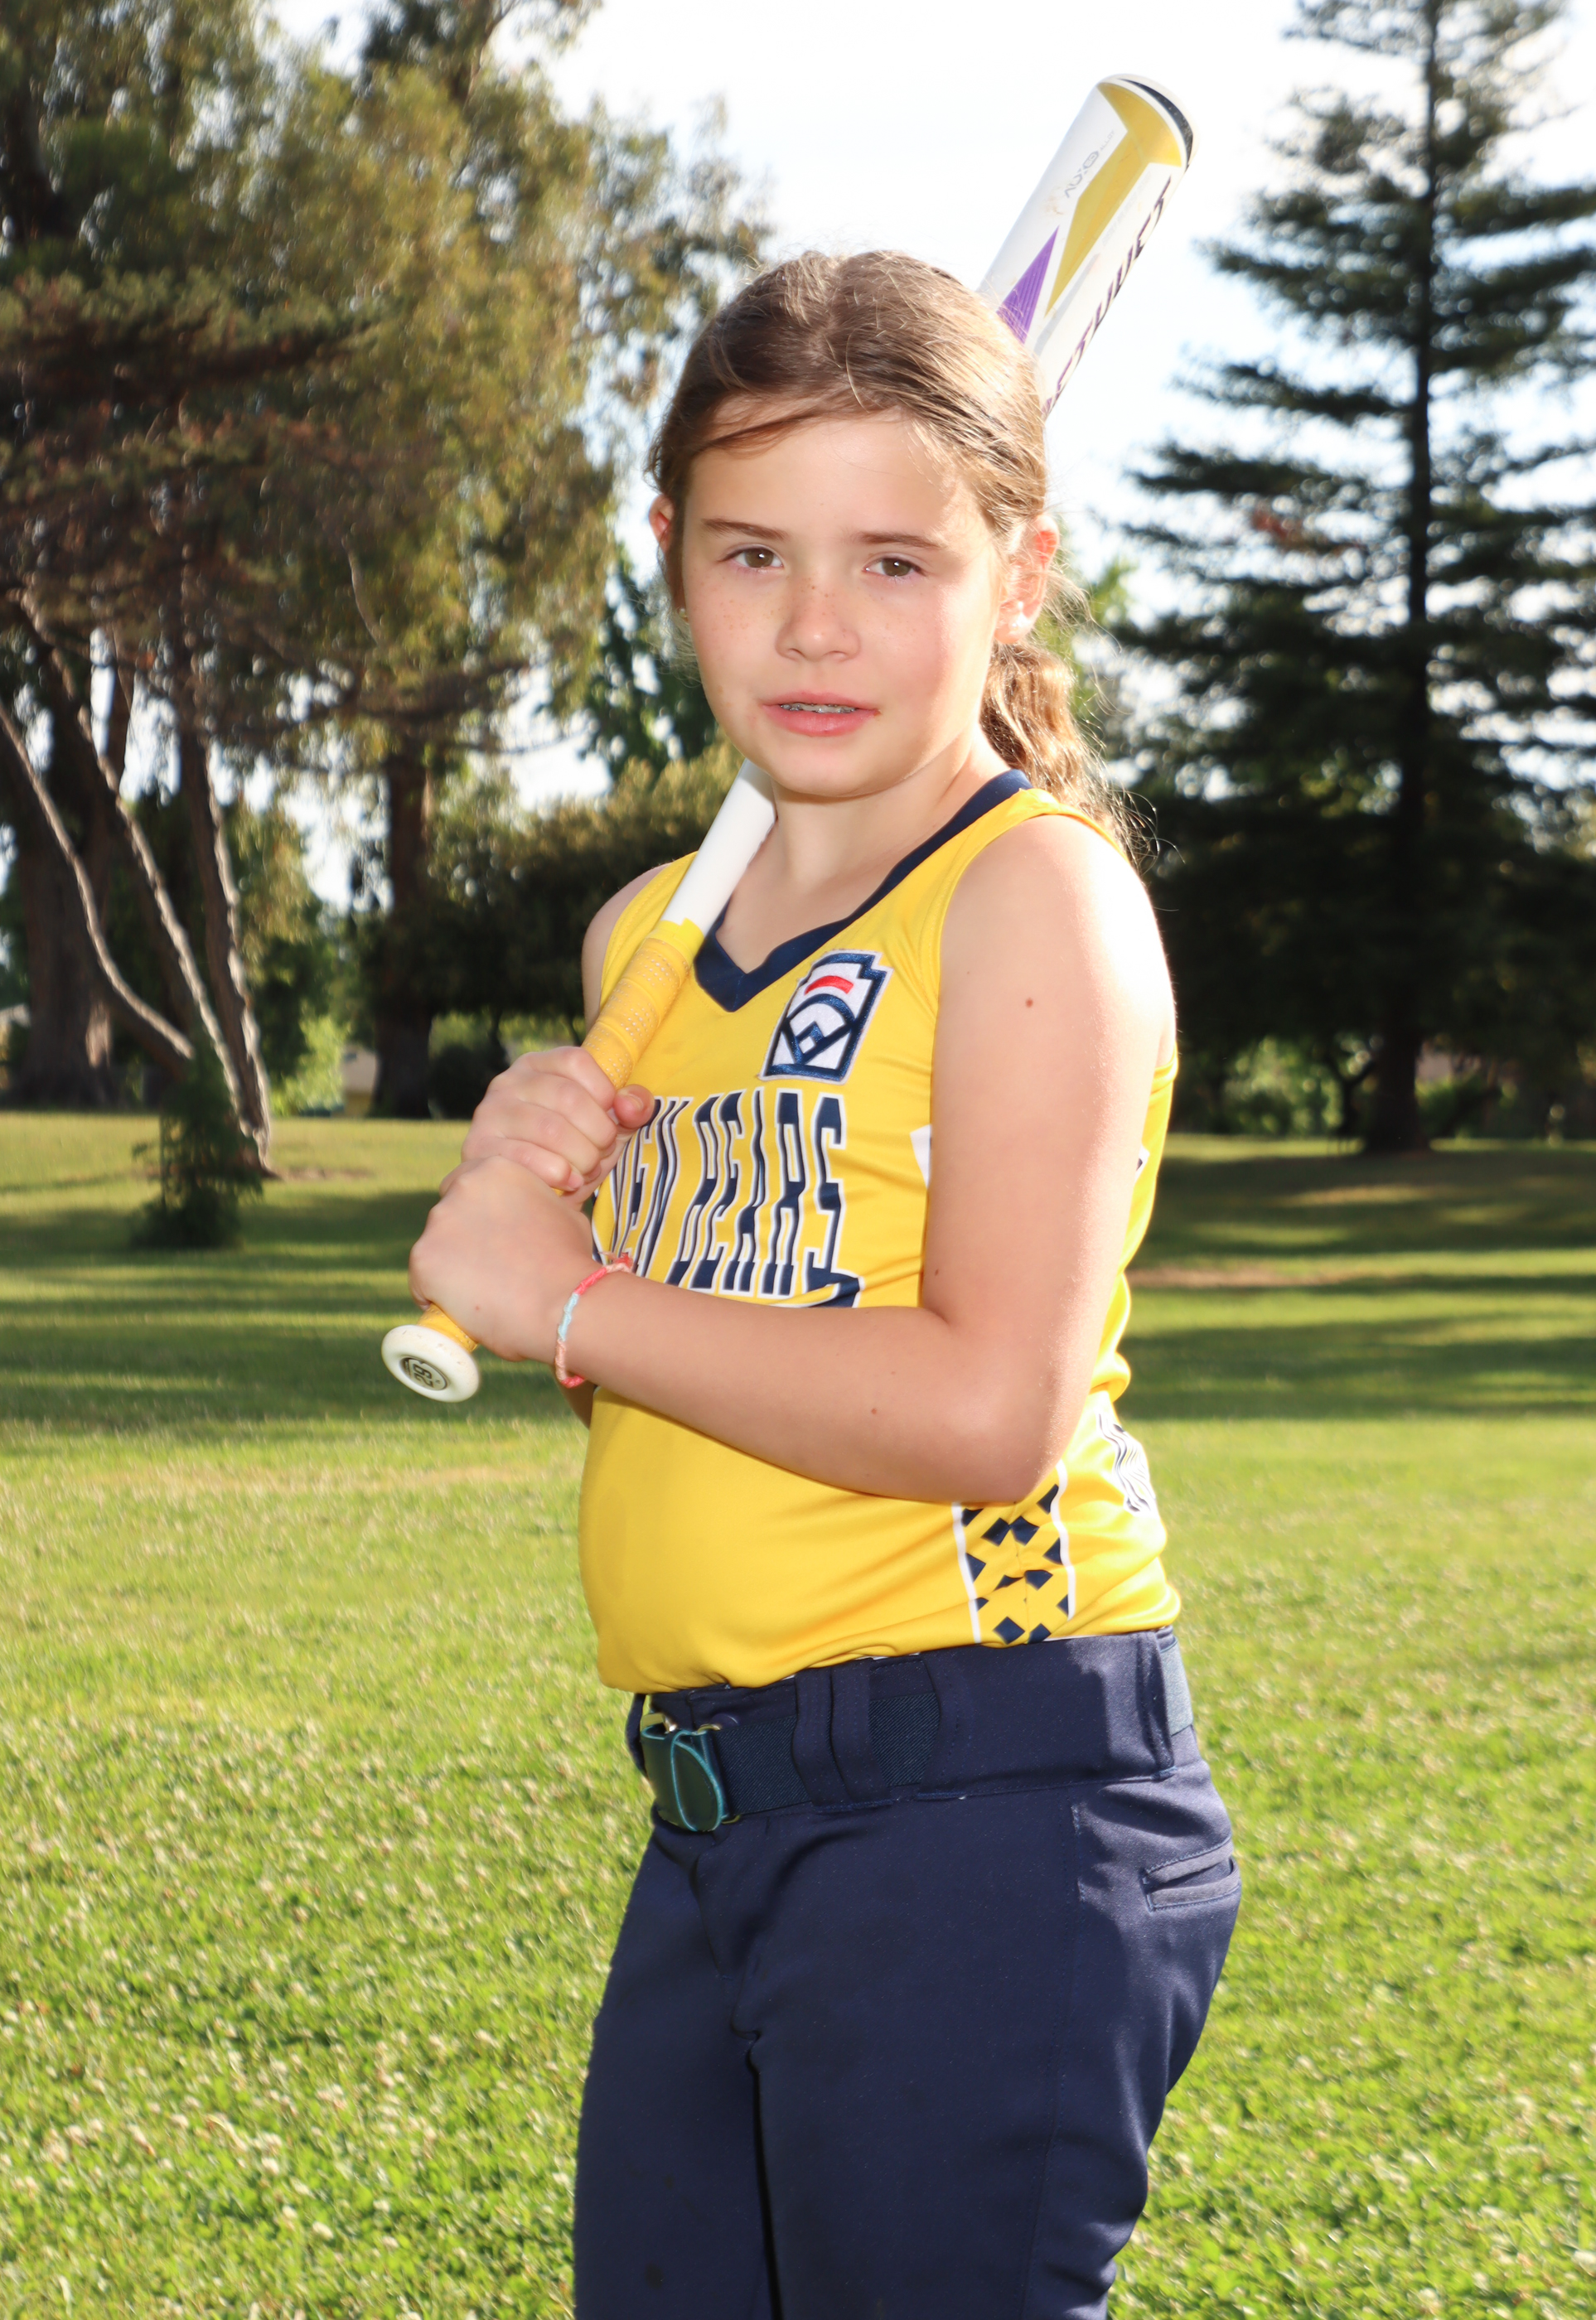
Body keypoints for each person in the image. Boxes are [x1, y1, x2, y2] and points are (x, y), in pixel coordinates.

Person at [409, 249, 1241, 2320]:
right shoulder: (644, 943)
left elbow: (986, 1409)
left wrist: (572, 1306)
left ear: (1016, 578)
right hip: (715, 1803)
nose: (811, 625)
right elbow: (696, 1384)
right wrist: (551, 1229)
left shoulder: (1031, 894)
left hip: (987, 1789)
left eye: (893, 560)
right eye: (752, 550)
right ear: (667, 554)